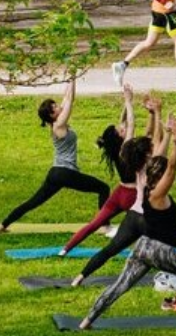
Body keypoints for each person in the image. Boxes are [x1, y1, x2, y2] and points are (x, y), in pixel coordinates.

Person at [77, 115, 176, 329]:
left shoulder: (143, 181)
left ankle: (86, 321)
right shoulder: (156, 194)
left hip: (142, 247)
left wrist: (166, 130)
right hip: (159, 251)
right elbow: (171, 168)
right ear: (159, 175)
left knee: (119, 287)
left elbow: (159, 159)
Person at [68, 92, 171, 285]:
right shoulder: (150, 164)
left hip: (133, 214)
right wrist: (157, 114)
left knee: (110, 248)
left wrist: (148, 113)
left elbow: (148, 137)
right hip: (148, 216)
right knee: (171, 243)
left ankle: (79, 277)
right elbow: (156, 140)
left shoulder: (126, 154)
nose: (124, 127)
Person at [0, 77, 110, 233]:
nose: (59, 106)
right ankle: (106, 226)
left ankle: (3, 225)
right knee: (103, 188)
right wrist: (73, 78)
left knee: (33, 202)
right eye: (55, 107)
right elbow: (70, 102)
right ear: (52, 115)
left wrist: (71, 77)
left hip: (56, 173)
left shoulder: (57, 124)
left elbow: (67, 98)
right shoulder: (58, 126)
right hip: (66, 173)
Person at [59, 83, 139, 256]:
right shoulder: (126, 147)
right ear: (120, 136)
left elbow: (124, 122)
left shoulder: (115, 148)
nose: (123, 128)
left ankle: (65, 249)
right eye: (121, 130)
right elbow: (131, 124)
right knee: (147, 225)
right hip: (132, 195)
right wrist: (129, 102)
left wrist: (126, 104)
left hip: (119, 193)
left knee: (94, 224)